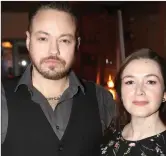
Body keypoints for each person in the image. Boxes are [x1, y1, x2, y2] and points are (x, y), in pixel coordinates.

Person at [1, 2, 116, 156]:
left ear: (77, 44)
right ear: (28, 41)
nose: (53, 50)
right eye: (43, 38)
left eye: (64, 40)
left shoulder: (102, 99)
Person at [101, 48, 166, 156]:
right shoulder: (106, 138)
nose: (139, 91)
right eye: (130, 82)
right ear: (120, 92)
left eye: (150, 82)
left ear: (164, 93)